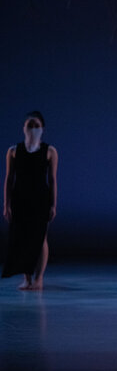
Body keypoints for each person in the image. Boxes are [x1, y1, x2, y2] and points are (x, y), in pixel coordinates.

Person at [3, 111, 58, 290]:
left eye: (36, 126)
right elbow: (9, 179)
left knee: (40, 238)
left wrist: (53, 204)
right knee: (22, 238)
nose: (33, 129)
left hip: (40, 199)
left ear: (42, 129)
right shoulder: (13, 151)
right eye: (30, 125)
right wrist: (6, 204)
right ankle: (27, 278)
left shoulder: (49, 151)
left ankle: (39, 278)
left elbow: (53, 180)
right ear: (23, 128)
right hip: (20, 198)